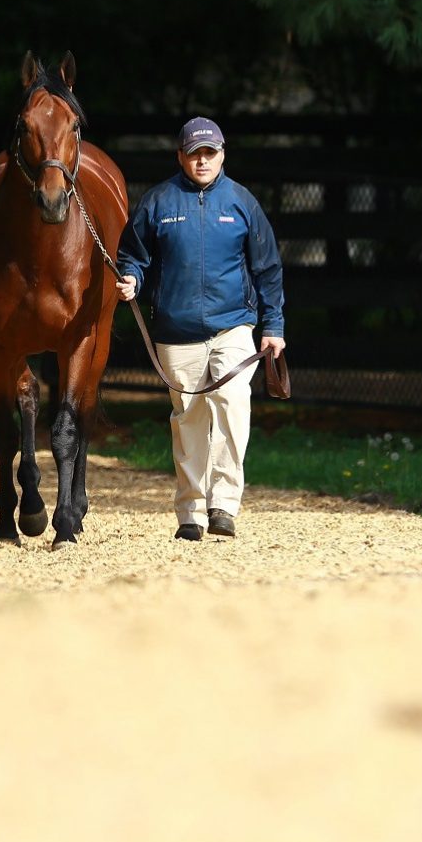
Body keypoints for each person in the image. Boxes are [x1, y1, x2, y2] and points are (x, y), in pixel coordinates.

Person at [114, 116, 286, 540]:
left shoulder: (242, 203)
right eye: (195, 153)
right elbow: (133, 253)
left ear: (223, 154)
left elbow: (267, 268)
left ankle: (224, 506)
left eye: (210, 152)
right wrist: (131, 278)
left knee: (232, 403)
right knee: (188, 417)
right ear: (181, 157)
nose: (203, 160)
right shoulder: (158, 201)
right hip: (175, 331)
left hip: (233, 327)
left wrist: (274, 325)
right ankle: (190, 511)